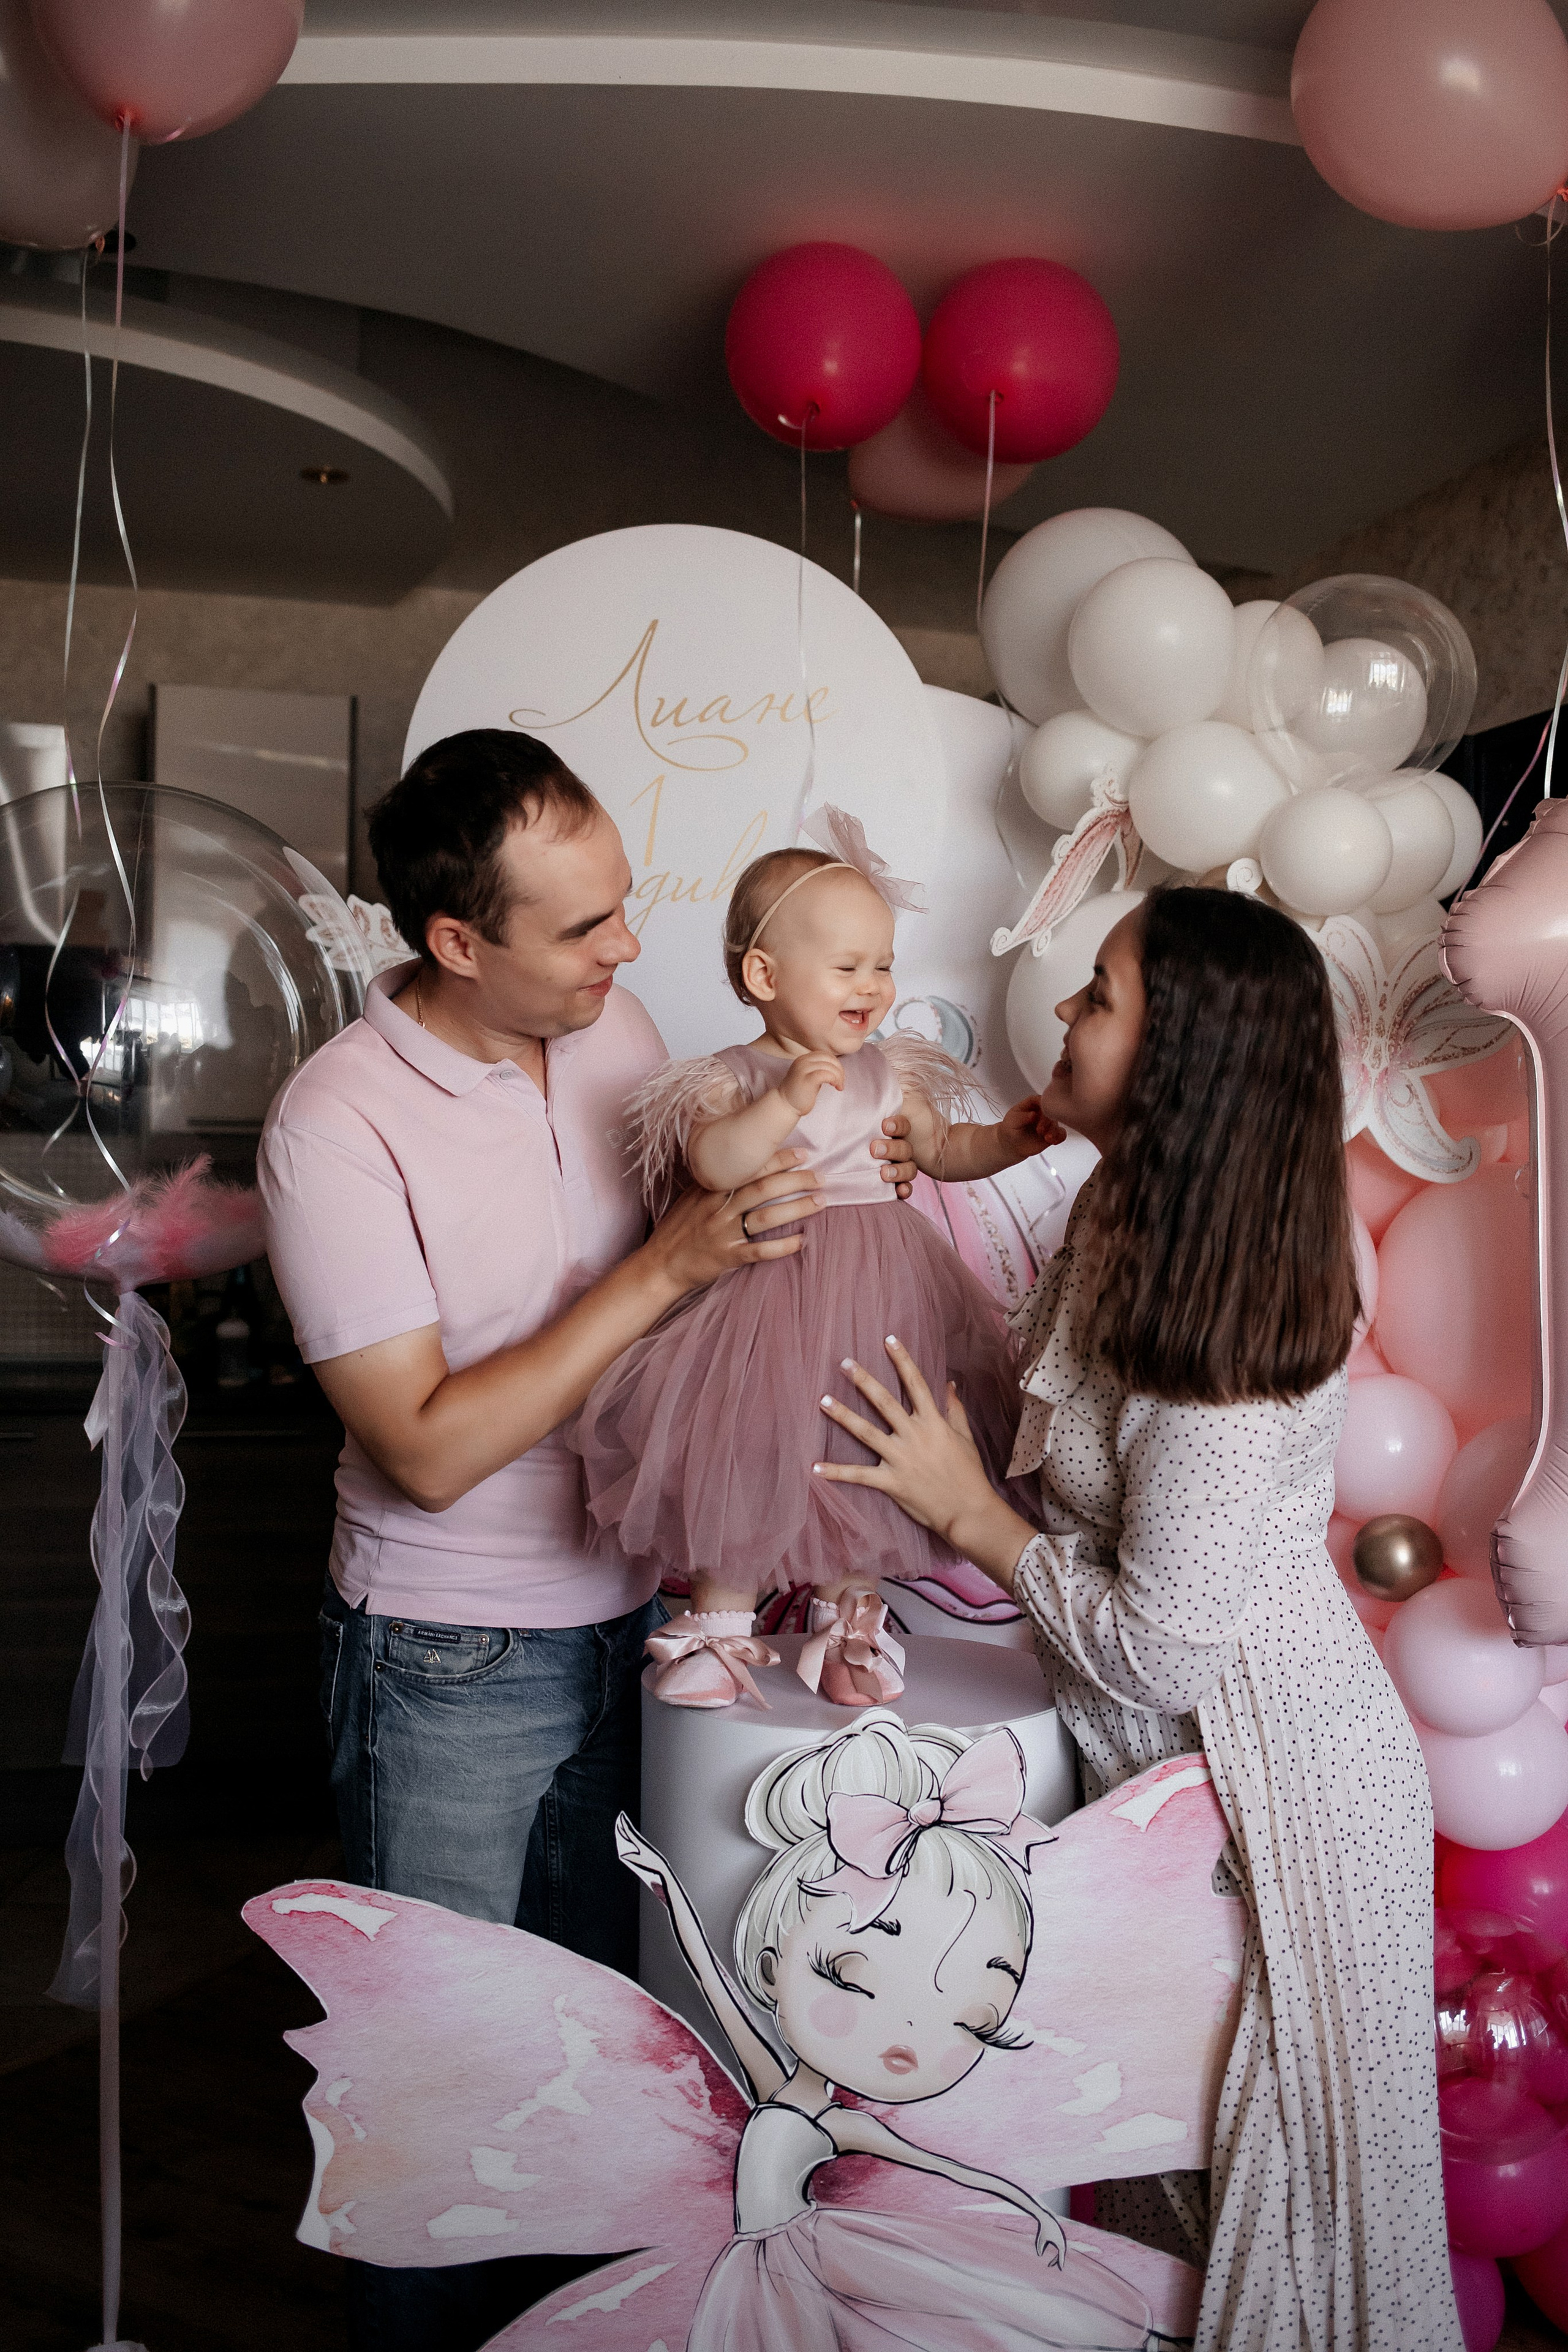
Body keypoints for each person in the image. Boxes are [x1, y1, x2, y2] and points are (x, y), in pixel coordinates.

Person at [257, 729, 916, 2349]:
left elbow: (731, 1241)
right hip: (447, 1659)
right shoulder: (334, 1125)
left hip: (644, 1615)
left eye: (627, 909)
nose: (633, 953)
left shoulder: (618, 1027)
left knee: (605, 2066)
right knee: (449, 2095)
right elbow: (422, 1447)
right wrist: (676, 1266)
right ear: (458, 943)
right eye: (586, 927)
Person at [812, 888, 1463, 2352]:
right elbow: (1054, 1405)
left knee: (1269, 2209)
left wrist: (967, 1511)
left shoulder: (1224, 1326)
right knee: (1164, 2185)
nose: (1062, 1010)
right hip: (1185, 1791)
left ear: (1179, 1062)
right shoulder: (1132, 1212)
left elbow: (1164, 1647)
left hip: (1277, 1796)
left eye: (1095, 996)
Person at [570, 805, 1055, 1709]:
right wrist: (783, 1103)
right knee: (751, 1455)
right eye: (846, 966)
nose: (871, 984)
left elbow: (941, 1152)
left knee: (867, 1461)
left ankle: (851, 1629)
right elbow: (712, 1164)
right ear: (764, 975)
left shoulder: (890, 1071)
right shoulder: (736, 1076)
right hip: (767, 1308)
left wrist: (1010, 1139)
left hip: (885, 1304)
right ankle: (720, 1632)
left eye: (882, 963)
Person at [614, 1716, 1180, 2351]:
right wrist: (664, 1882)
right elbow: (715, 1986)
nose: (908, 2035)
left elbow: (946, 2169)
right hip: (762, 2259)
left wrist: (1031, 2209)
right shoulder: (775, 2088)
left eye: (976, 2024)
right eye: (851, 1982)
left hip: (797, 2254)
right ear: (772, 1969)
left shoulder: (841, 2125)